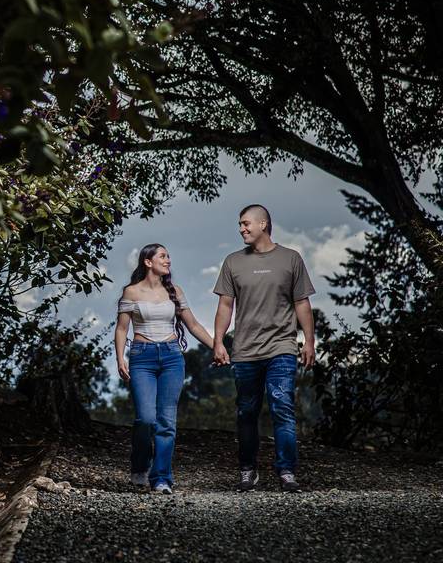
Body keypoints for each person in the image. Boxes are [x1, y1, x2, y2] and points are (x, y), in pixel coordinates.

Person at [211, 204, 316, 493]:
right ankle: (248, 470)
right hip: (245, 350)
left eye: (246, 223)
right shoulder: (233, 262)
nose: (241, 229)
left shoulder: (290, 259)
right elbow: (225, 306)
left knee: (282, 406)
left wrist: (309, 341)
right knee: (247, 411)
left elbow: (301, 303)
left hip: (282, 346)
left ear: (264, 224)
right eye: (240, 224)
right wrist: (219, 341)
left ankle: (287, 472)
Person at [114, 243, 214, 494]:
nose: (168, 260)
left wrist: (217, 346)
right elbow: (122, 329)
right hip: (142, 358)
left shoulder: (175, 291)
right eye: (162, 256)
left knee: (166, 421)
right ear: (148, 262)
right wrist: (120, 359)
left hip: (171, 358)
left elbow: (193, 325)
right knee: (146, 418)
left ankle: (161, 478)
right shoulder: (131, 292)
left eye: (169, 256)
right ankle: (139, 465)